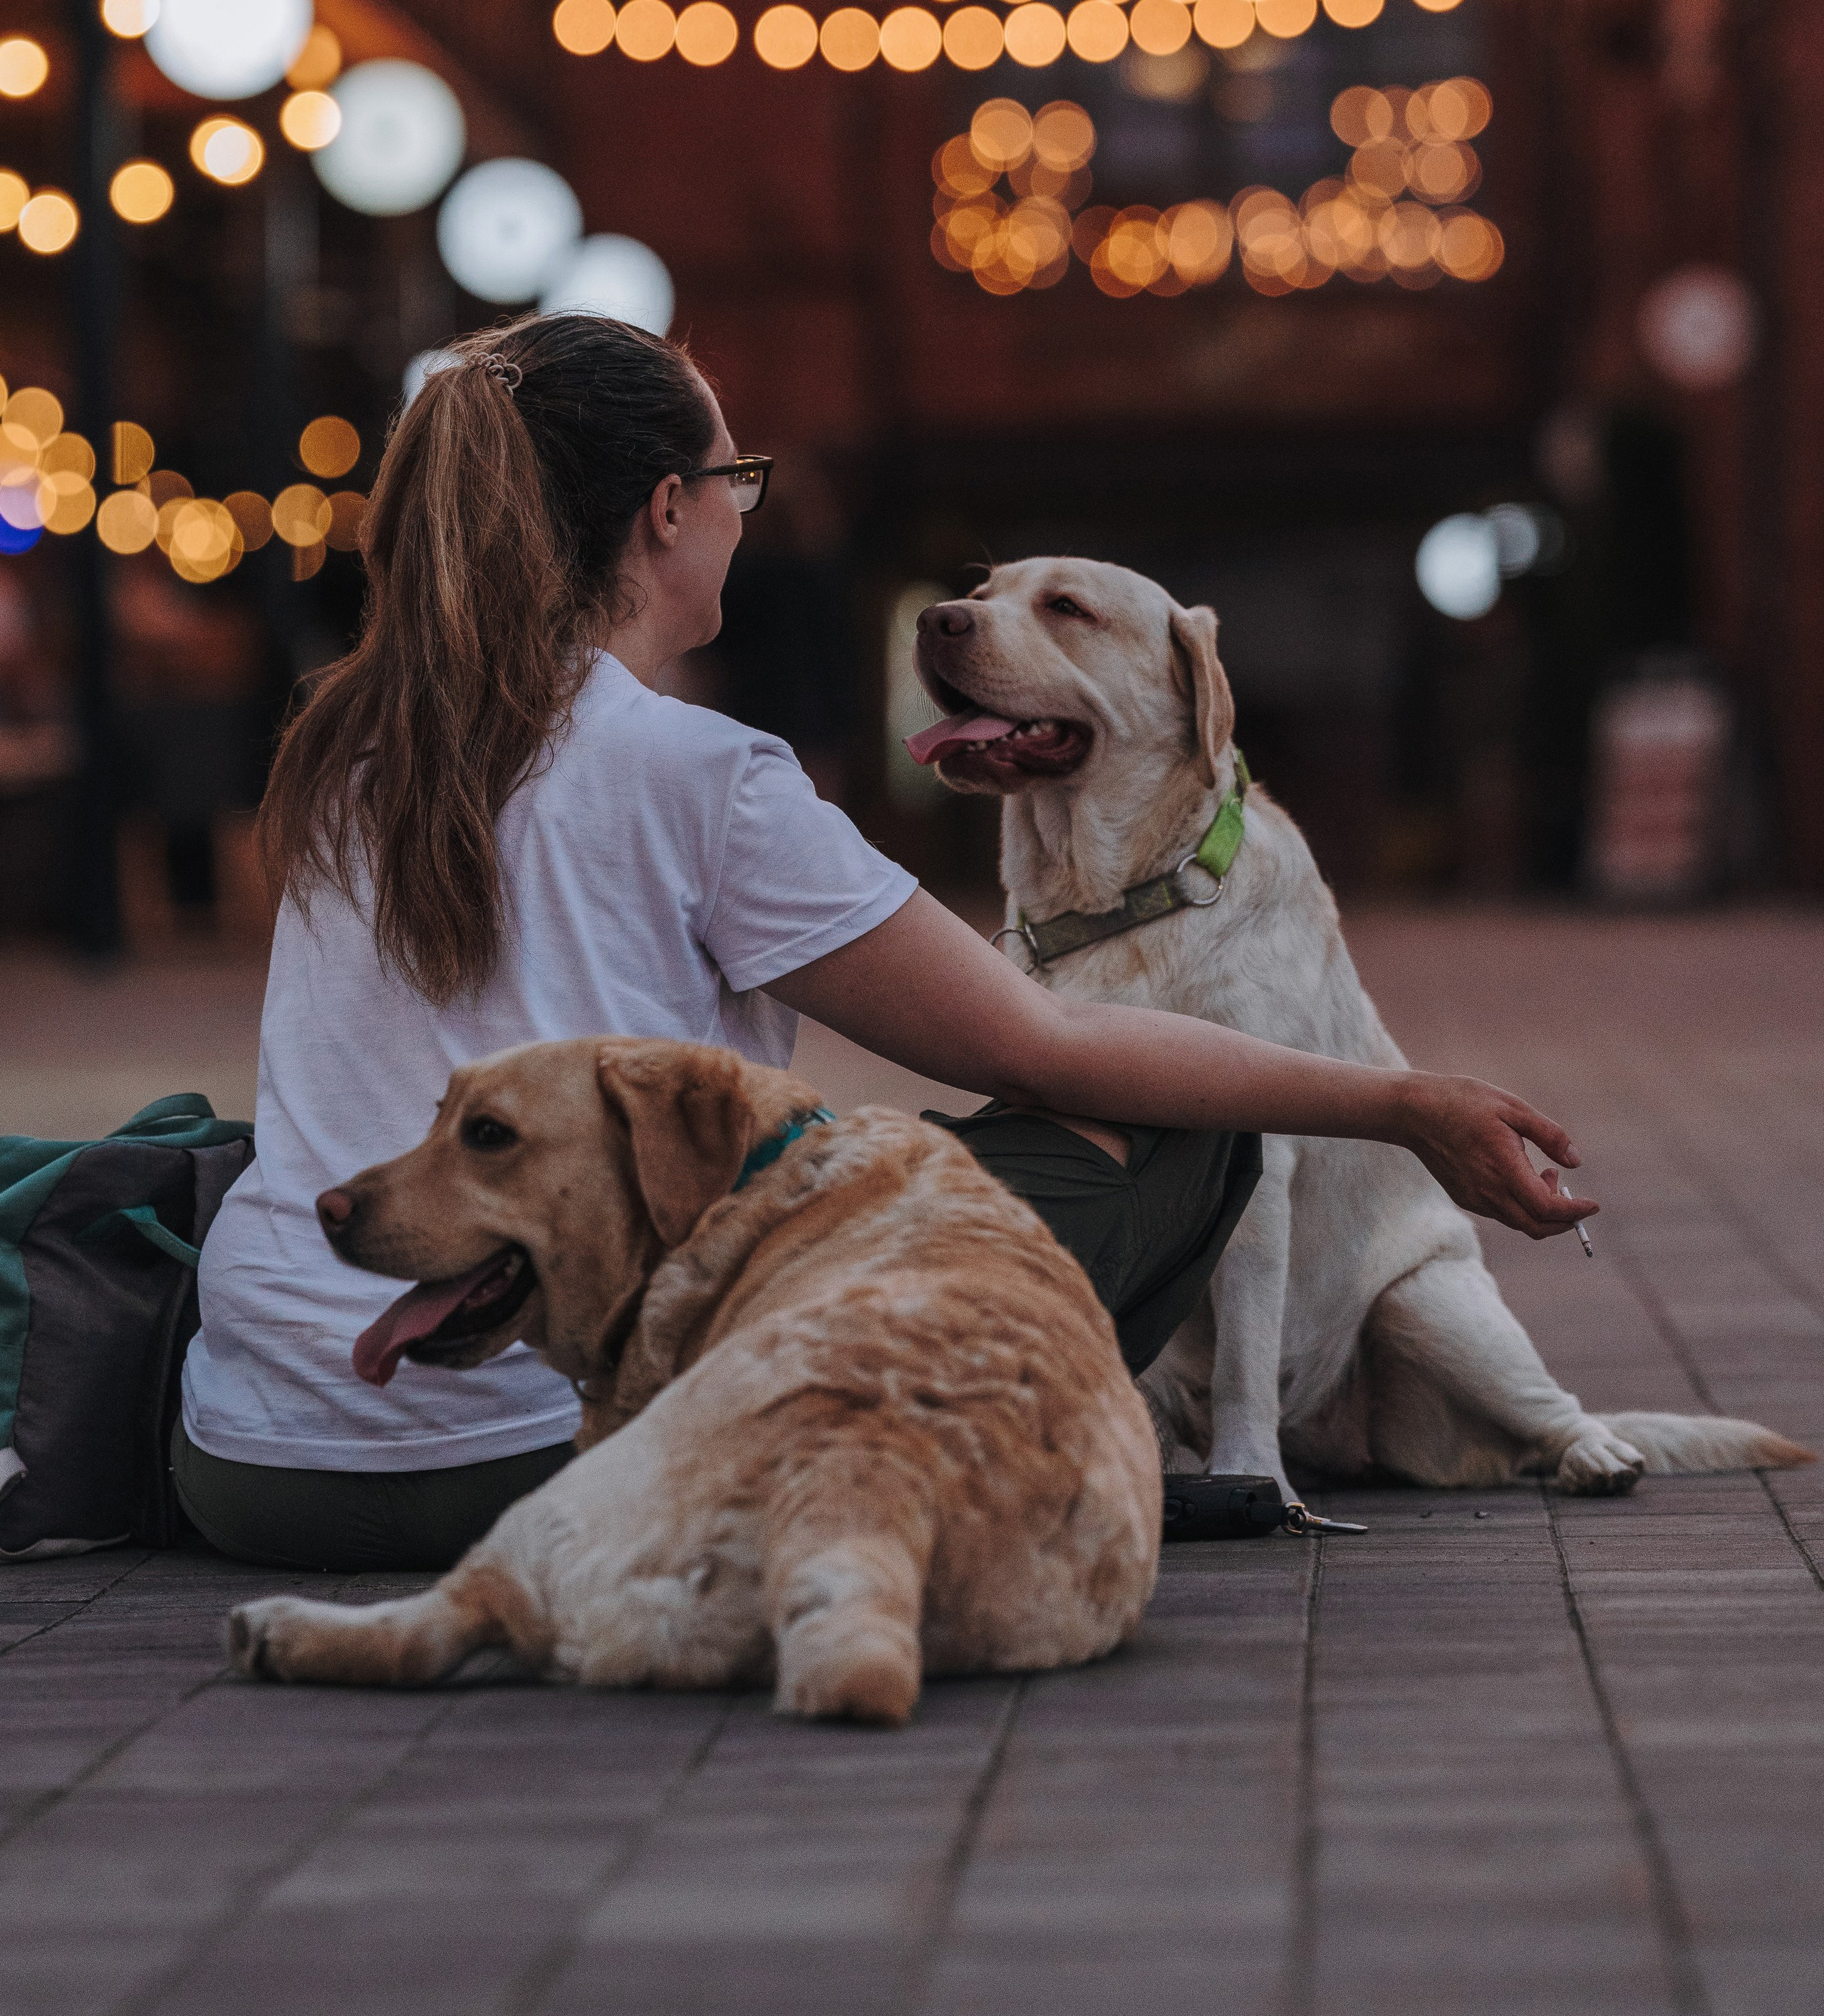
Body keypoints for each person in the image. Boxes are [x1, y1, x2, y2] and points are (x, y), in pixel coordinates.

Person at [174, 314, 1596, 1572]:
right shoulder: (698, 772)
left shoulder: (344, 750)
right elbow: (1045, 1042)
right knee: (1185, 1113)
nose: (744, 510)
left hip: (254, 1462)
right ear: (668, 509)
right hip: (576, 1455)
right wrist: (1404, 1105)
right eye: (737, 480)